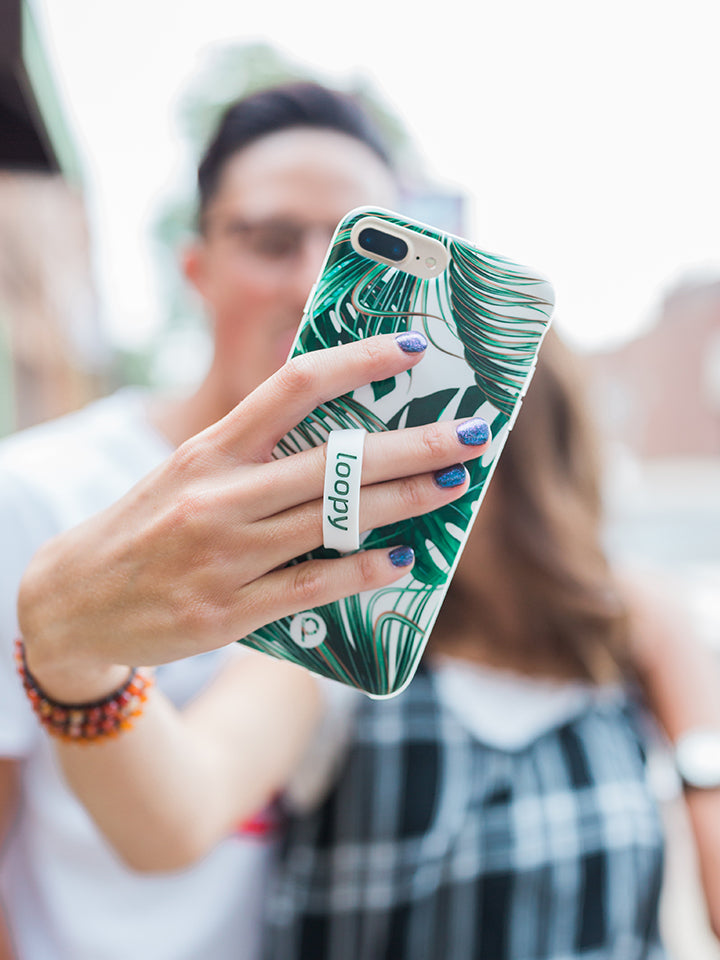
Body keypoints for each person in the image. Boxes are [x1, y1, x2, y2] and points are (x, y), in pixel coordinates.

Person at [5, 86, 720, 960]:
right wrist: (71, 656)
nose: (314, 281)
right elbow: (176, 814)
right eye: (271, 240)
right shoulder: (331, 619)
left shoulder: (608, 621)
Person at [0, 82, 490, 960]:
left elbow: (196, 804)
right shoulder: (39, 493)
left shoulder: (386, 526)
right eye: (270, 241)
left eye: (357, 251)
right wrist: (63, 640)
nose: (312, 282)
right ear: (197, 270)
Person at [260, 329, 720, 960]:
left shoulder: (631, 631)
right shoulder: (345, 638)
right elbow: (175, 813)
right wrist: (89, 660)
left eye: (417, 421)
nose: (388, 457)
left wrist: (698, 750)